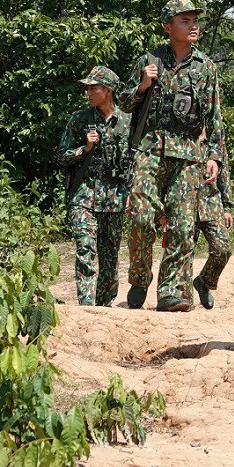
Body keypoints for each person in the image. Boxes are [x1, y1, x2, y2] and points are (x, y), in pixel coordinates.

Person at [119, 0, 226, 313]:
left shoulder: (206, 67)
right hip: (149, 151)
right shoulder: (149, 61)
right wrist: (141, 86)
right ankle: (140, 279)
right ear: (168, 27)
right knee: (140, 218)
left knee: (181, 226)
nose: (193, 24)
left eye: (195, 19)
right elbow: (123, 104)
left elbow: (216, 116)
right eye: (185, 20)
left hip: (188, 154)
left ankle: (174, 292)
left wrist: (214, 156)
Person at [57, 66, 131, 306]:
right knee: (85, 248)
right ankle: (86, 305)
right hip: (84, 196)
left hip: (115, 197)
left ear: (107, 90)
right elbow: (61, 156)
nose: (88, 92)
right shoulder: (80, 119)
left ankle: (104, 306)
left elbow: (137, 162)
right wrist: (84, 149)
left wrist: (133, 194)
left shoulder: (127, 122)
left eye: (93, 87)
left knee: (110, 258)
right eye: (87, 87)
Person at [193, 163, 234, 309]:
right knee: (182, 255)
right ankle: (178, 298)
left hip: (212, 205)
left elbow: (224, 174)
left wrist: (227, 207)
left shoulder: (216, 141)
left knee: (222, 250)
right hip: (185, 206)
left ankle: (204, 282)